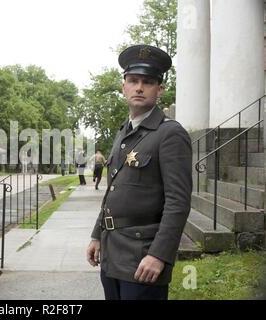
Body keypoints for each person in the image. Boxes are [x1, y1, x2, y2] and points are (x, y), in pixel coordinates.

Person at [86, 44, 192, 300]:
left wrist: (159, 255)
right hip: (112, 254)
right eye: (133, 80)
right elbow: (113, 190)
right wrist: (97, 234)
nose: (139, 87)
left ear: (159, 89)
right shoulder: (124, 132)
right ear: (124, 86)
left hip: (143, 258)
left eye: (148, 81)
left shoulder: (170, 133)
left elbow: (178, 202)